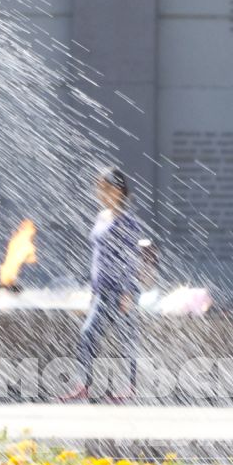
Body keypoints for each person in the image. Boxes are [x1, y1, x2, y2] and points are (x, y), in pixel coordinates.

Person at [63, 167, 146, 402]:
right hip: (102, 291)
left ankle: (129, 388)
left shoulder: (128, 223)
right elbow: (98, 255)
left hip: (121, 291)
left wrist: (128, 292)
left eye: (105, 188)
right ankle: (84, 384)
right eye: (99, 187)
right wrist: (93, 290)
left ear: (118, 191)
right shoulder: (102, 216)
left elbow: (131, 259)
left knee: (126, 338)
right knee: (88, 333)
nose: (100, 192)